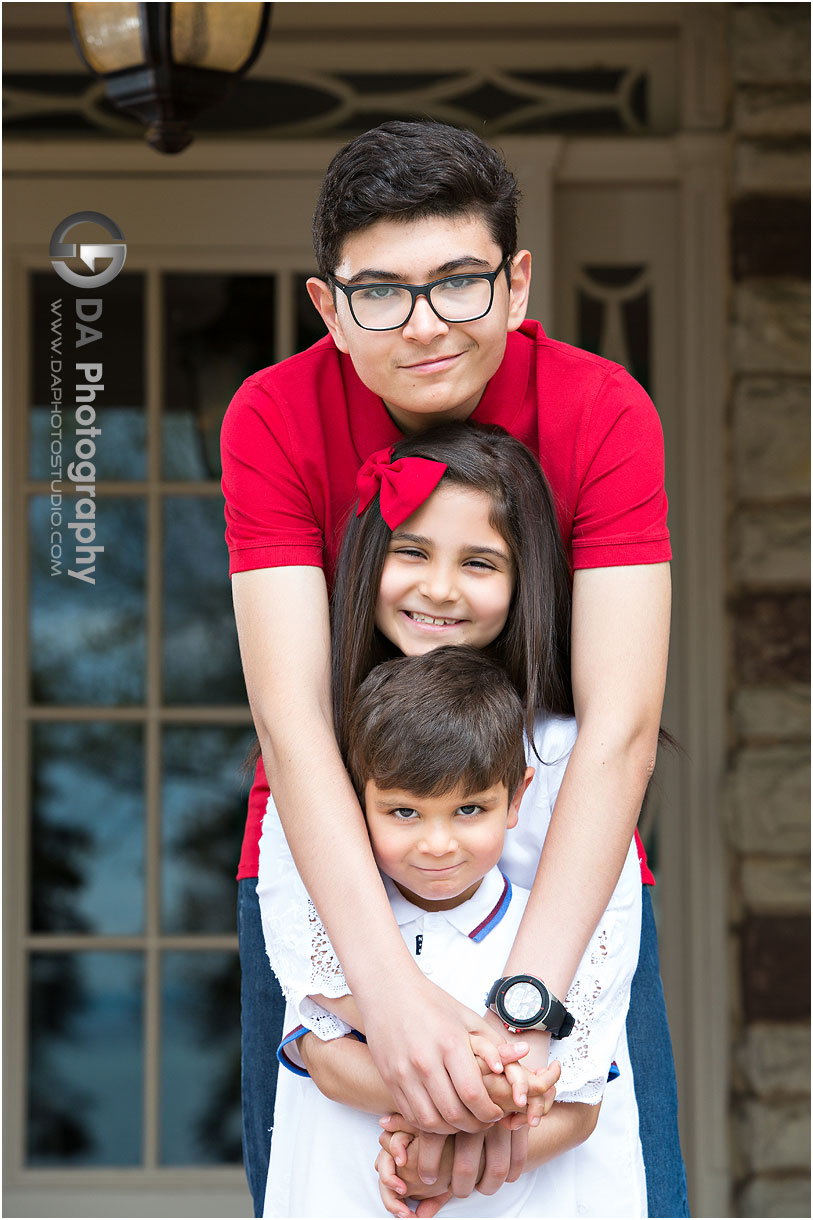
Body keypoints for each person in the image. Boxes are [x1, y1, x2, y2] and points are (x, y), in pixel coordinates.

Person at [221, 119, 687, 1217]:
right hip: (332, 844)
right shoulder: (272, 416)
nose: (425, 324)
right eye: (380, 292)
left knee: (602, 1164)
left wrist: (526, 1014)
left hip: (558, 839)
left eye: (460, 282)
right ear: (328, 306)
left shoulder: (604, 409)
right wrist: (391, 1000)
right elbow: (293, 725)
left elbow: (620, 726)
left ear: (517, 284)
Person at [264, 647, 645, 1219]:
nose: (438, 844)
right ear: (356, 804)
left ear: (516, 798)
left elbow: (579, 1109)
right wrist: (489, 1096)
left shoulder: (546, 941)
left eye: (469, 810)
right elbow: (323, 1059)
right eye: (404, 813)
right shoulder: (340, 928)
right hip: (350, 1193)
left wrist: (436, 1159)